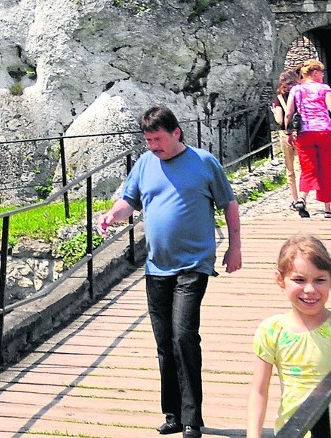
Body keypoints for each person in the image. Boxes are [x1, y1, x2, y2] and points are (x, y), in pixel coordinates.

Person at [97, 105, 242, 438]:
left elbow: (229, 204)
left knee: (184, 337)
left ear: (176, 133)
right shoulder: (145, 163)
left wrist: (235, 248)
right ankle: (173, 414)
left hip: (194, 266)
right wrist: (111, 215)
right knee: (165, 343)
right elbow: (128, 202)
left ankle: (193, 418)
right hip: (156, 266)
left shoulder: (204, 163)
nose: (153, 146)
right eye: (148, 140)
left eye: (158, 139)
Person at [246, 235, 331, 438]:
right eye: (299, 280)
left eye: (319, 280)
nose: (310, 290)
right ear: (280, 280)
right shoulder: (271, 329)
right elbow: (259, 391)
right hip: (295, 430)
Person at [284, 60, 331, 218]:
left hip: (304, 134)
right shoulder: (324, 89)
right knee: (326, 169)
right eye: (321, 72)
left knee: (307, 168)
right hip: (324, 132)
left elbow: (289, 113)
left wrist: (288, 132)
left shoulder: (296, 89)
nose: (323, 75)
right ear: (315, 73)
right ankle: (327, 209)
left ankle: (301, 198)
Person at [270, 69, 303, 213]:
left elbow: (279, 120)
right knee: (302, 167)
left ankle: (295, 200)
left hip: (286, 134)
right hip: (302, 132)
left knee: (290, 170)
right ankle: (303, 198)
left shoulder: (280, 98)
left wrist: (273, 111)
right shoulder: (300, 94)